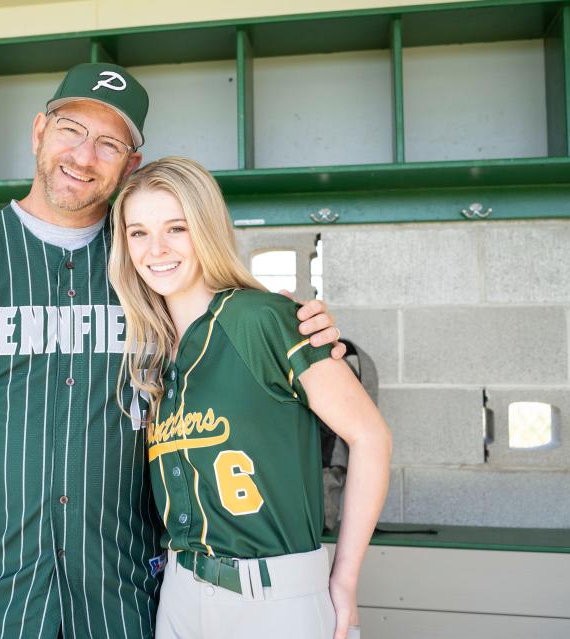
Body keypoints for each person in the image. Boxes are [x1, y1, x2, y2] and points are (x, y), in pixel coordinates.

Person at [0, 64, 345, 639]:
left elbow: (236, 329)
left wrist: (300, 325)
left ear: (131, 165)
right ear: (39, 132)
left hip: (124, 595)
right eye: (71, 129)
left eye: (109, 143)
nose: (83, 154)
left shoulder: (149, 261)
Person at [108, 157, 392, 639]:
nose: (156, 249)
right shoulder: (154, 355)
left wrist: (345, 578)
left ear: (206, 228)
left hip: (274, 597)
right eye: (138, 233)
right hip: (178, 594)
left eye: (176, 228)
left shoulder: (264, 318)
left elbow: (371, 437)